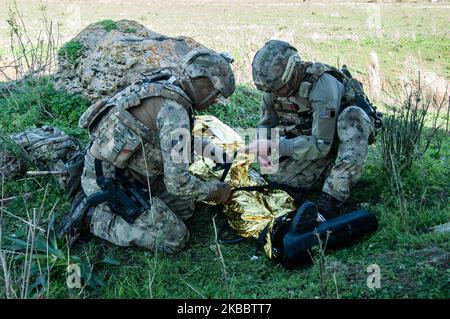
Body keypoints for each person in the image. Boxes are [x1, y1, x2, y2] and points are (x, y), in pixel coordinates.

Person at [59, 48, 236, 254]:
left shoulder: (166, 83)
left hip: (126, 173)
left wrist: (207, 148)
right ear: (203, 84)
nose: (214, 101)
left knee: (186, 207)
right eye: (215, 95)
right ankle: (93, 217)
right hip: (108, 182)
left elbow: (160, 135)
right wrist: (216, 191)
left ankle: (134, 209)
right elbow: (178, 183)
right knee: (174, 239)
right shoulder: (174, 110)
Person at [246, 40, 377, 228]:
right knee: (276, 178)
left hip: (338, 137)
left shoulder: (322, 87)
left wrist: (277, 146)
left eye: (278, 89)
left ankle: (332, 198)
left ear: (293, 73)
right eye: (270, 91)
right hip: (311, 138)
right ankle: (328, 170)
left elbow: (321, 144)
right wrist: (263, 149)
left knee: (352, 117)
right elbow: (265, 126)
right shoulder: (272, 89)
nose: (275, 95)